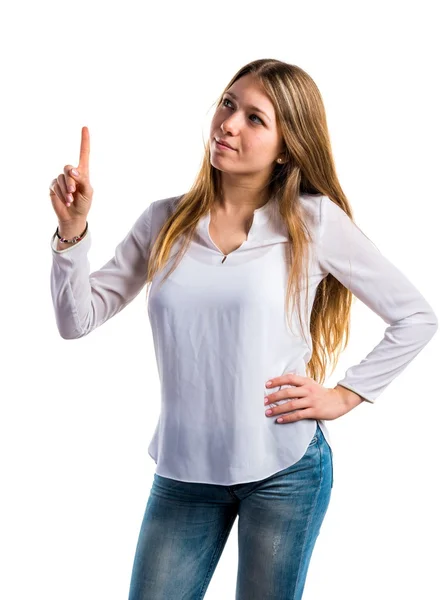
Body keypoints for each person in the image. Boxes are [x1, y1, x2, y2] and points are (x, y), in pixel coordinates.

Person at [49, 59, 438, 599]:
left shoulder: (311, 222)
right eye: (228, 105)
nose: (229, 123)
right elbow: (77, 319)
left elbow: (416, 316)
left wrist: (346, 395)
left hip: (284, 470)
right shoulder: (164, 222)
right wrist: (72, 233)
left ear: (285, 145)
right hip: (185, 473)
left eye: (255, 118)